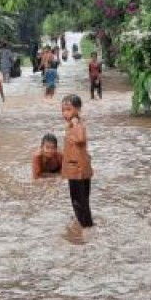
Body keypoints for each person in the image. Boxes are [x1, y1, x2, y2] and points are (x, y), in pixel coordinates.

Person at [61, 95, 94, 227]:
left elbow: (81, 139)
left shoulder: (76, 124)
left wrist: (74, 123)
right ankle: (87, 225)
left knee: (78, 201)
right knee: (83, 200)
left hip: (76, 169)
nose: (65, 113)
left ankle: (85, 227)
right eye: (63, 110)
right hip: (81, 167)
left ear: (78, 109)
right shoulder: (75, 124)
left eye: (68, 109)